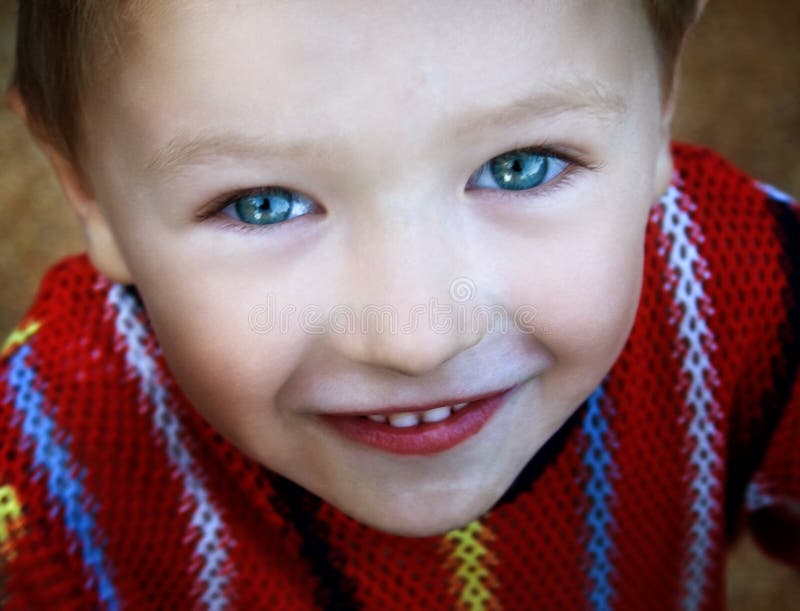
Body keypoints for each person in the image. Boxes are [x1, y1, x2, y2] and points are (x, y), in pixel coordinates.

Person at [1, 0, 797, 608]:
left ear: (660, 107)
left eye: (520, 166)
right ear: (87, 188)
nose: (416, 338)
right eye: (263, 204)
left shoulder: (748, 281)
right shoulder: (45, 458)